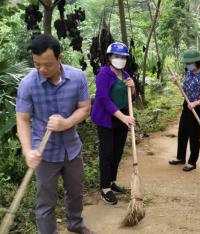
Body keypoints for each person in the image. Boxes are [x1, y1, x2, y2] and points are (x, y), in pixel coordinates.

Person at [16, 34, 94, 234]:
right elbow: (22, 120)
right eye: (37, 64)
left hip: (72, 150)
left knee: (76, 192)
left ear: (60, 58)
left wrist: (66, 122)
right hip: (45, 154)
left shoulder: (77, 77)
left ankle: (75, 224)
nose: (42, 70)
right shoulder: (28, 84)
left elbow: (85, 108)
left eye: (47, 65)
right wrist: (28, 151)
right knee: (45, 203)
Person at [91, 42, 136, 204]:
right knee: (107, 154)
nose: (120, 59)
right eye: (116, 56)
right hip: (106, 119)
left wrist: (133, 87)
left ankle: (111, 182)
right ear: (109, 57)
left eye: (123, 57)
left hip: (122, 117)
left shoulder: (125, 74)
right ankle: (105, 188)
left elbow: (131, 97)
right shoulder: (103, 74)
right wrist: (123, 118)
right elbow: (103, 99)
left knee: (117, 152)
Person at [169, 49, 200, 172]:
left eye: (189, 63)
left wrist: (196, 103)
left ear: (197, 62)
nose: (187, 66)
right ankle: (180, 157)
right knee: (182, 132)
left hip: (198, 108)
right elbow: (185, 90)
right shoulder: (188, 73)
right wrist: (176, 83)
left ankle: (192, 162)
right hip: (187, 105)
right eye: (187, 64)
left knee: (194, 136)